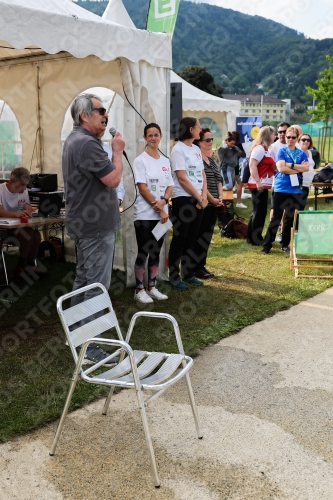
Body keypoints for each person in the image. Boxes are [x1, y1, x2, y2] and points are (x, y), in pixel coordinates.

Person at [62, 93, 125, 364]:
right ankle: (90, 347)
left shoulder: (76, 140)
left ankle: (76, 335)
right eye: (100, 111)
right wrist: (118, 151)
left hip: (86, 224)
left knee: (84, 282)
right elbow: (112, 178)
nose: (105, 115)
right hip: (95, 227)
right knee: (97, 287)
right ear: (84, 115)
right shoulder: (87, 143)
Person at [133, 123, 173, 303]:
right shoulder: (140, 160)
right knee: (144, 252)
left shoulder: (165, 161)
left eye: (156, 134)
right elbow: (142, 188)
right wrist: (158, 207)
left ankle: (152, 286)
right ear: (145, 138)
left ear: (161, 136)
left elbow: (170, 185)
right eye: (150, 135)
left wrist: (164, 202)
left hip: (162, 216)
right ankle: (139, 289)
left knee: (156, 251)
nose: (153, 138)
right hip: (144, 215)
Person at [168, 117, 208, 290]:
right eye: (198, 127)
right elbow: (182, 178)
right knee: (180, 237)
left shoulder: (196, 150)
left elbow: (202, 174)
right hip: (183, 199)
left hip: (198, 198)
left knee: (192, 237)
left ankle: (188, 273)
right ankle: (174, 276)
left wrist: (204, 196)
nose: (200, 130)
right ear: (191, 130)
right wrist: (199, 198)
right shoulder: (178, 150)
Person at [262, 126, 309, 254]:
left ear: (297, 138)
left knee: (289, 219)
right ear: (285, 137)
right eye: (288, 137)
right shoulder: (281, 151)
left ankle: (284, 244)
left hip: (295, 191)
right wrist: (297, 167)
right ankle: (267, 245)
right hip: (280, 188)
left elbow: (306, 168)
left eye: (294, 137)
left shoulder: (301, 153)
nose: (290, 139)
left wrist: (289, 165)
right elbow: (281, 169)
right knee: (276, 218)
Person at [0, 167, 47, 283]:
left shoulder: (24, 192)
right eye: (22, 185)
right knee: (30, 234)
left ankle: (26, 266)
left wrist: (27, 207)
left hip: (18, 227)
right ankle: (22, 267)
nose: (24, 188)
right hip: (4, 229)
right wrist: (17, 214)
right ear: (12, 181)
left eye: (26, 185)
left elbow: (25, 205)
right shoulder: (1, 190)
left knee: (36, 235)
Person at [192, 128, 223, 279]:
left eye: (212, 140)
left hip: (214, 204)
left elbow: (218, 180)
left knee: (207, 236)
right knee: (199, 236)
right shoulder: (197, 160)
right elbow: (201, 183)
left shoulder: (210, 160)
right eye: (207, 140)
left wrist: (221, 198)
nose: (211, 142)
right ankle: (195, 267)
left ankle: (201, 265)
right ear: (198, 142)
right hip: (204, 203)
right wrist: (212, 199)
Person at [246, 126, 276, 246]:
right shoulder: (259, 149)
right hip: (258, 185)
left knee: (258, 211)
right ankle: (255, 238)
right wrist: (258, 182)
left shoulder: (265, 149)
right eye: (274, 134)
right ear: (268, 135)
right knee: (259, 212)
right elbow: (252, 165)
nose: (275, 136)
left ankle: (251, 236)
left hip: (262, 184)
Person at [298, 133, 315, 210]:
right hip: (299, 184)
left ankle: (298, 222)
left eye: (308, 140)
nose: (306, 141)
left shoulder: (310, 152)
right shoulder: (297, 152)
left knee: (302, 206)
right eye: (303, 140)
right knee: (295, 207)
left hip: (307, 184)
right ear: (299, 141)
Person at [232, 130, 248, 208]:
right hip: (235, 165)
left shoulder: (227, 144)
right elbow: (244, 154)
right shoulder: (238, 144)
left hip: (228, 166)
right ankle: (238, 202)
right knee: (240, 183)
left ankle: (230, 202)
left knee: (231, 184)